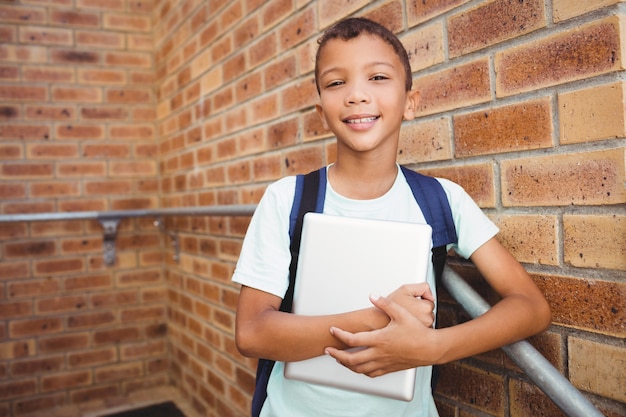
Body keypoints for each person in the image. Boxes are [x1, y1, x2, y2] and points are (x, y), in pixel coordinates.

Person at [232, 17, 551, 417]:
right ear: (321, 112)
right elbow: (252, 332)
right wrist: (375, 320)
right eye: (336, 83)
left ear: (410, 103)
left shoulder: (440, 200)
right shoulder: (287, 200)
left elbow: (531, 307)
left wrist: (433, 346)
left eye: (378, 77)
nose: (356, 95)